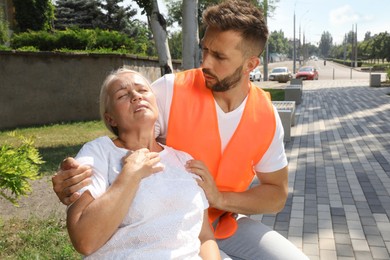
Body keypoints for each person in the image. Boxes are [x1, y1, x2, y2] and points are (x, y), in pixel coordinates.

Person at [53, 1, 309, 259]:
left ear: (250, 65)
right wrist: (79, 177)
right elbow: (126, 132)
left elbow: (276, 194)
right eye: (204, 50)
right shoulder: (169, 91)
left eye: (219, 56)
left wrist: (219, 198)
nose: (205, 63)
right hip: (166, 225)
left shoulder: (266, 117)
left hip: (223, 224)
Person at [65, 68, 220, 259]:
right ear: (110, 118)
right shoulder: (99, 152)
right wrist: (130, 175)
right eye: (122, 95)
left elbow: (204, 236)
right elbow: (84, 240)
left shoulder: (184, 160)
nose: (136, 96)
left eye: (143, 90)